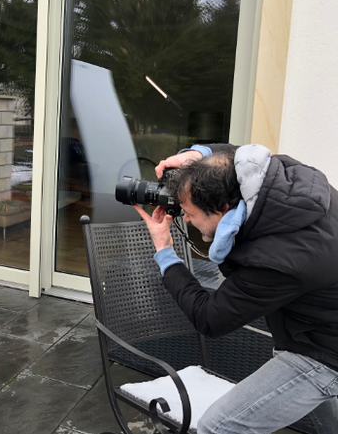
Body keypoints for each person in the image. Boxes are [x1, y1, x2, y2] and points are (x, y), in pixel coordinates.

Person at [134, 143, 338, 434]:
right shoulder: (284, 181)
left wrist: (165, 251)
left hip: (322, 352)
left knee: (217, 427)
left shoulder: (278, 261)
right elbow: (236, 156)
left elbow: (209, 318)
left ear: (222, 209)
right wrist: (198, 155)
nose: (185, 219)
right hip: (312, 325)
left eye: (189, 213)